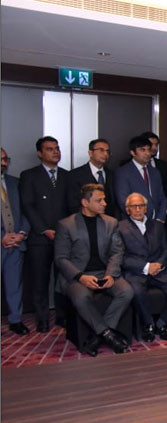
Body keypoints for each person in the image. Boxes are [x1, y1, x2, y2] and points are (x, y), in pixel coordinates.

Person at [54, 184, 133, 355]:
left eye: (104, 199)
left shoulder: (110, 222)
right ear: (85, 202)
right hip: (77, 275)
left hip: (104, 272)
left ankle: (99, 335)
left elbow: (117, 252)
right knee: (82, 297)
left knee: (126, 291)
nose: (104, 203)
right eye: (99, 200)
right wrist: (81, 277)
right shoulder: (66, 225)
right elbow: (61, 258)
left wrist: (110, 275)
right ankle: (108, 334)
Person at [118, 193, 167, 342]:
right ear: (127, 209)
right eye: (133, 206)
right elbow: (121, 257)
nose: (137, 209)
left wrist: (159, 264)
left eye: (141, 206)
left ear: (146, 208)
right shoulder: (120, 228)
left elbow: (166, 250)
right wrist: (146, 267)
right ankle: (148, 324)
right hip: (136, 272)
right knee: (135, 291)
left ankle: (162, 323)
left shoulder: (157, 225)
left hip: (159, 269)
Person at [20, 136, 71, 332]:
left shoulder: (67, 176)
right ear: (40, 153)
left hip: (64, 237)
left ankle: (62, 315)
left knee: (63, 279)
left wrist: (63, 231)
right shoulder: (29, 175)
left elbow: (71, 206)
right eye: (50, 149)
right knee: (40, 280)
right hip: (39, 238)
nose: (55, 152)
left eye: (57, 148)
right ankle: (42, 319)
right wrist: (44, 229)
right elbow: (28, 205)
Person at [1, 148, 31, 335]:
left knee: (14, 285)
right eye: (0, 159)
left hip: (16, 243)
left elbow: (27, 212)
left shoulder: (15, 183)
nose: (3, 163)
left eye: (5, 159)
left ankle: (16, 320)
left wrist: (21, 233)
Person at [114, 135, 167, 222]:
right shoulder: (123, 172)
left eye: (148, 150)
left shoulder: (155, 172)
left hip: (156, 223)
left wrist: (160, 219)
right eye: (142, 150)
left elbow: (162, 197)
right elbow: (123, 201)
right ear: (132, 152)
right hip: (134, 224)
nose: (147, 153)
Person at [67, 139, 118, 218]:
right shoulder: (75, 175)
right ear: (90, 153)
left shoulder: (111, 174)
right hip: (84, 222)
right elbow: (73, 203)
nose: (105, 154)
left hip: (109, 223)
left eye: (107, 151)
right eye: (101, 150)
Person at [140, 131, 167, 219]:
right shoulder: (128, 167)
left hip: (161, 215)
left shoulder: (164, 166)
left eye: (156, 145)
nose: (154, 148)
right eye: (151, 144)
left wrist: (165, 209)